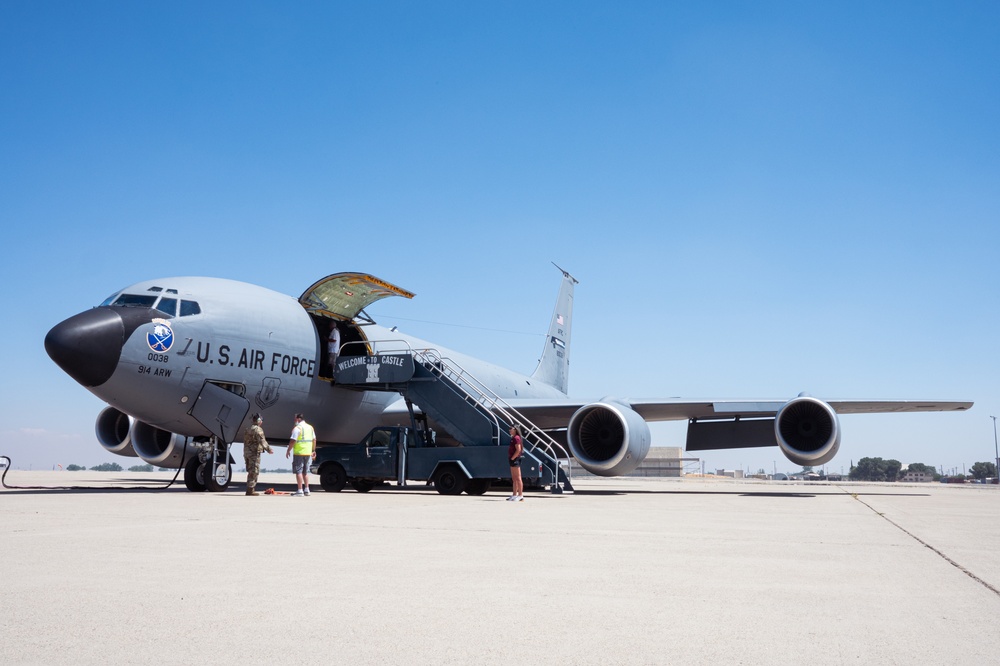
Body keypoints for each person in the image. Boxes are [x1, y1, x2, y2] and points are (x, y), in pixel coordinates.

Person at [285, 413, 316, 496]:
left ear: (298, 419)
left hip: (299, 452)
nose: (294, 421)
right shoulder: (310, 427)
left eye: (295, 419)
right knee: (305, 472)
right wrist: (313, 450)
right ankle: (307, 489)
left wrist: (288, 450)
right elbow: (314, 439)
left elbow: (293, 440)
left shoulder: (297, 428)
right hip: (308, 452)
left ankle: (300, 490)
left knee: (298, 471)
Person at [242, 413, 273, 496]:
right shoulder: (258, 429)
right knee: (254, 471)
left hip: (246, 452)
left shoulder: (247, 429)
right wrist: (268, 449)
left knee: (250, 470)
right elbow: (262, 441)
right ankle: (250, 490)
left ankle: (250, 488)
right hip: (254, 453)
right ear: (259, 421)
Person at [507, 424, 524, 502]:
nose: (510, 430)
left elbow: (518, 450)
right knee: (514, 478)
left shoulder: (516, 438)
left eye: (511, 428)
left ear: (516, 429)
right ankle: (514, 494)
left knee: (518, 478)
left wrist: (513, 458)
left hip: (515, 459)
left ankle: (520, 495)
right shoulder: (512, 438)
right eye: (509, 428)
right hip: (512, 459)